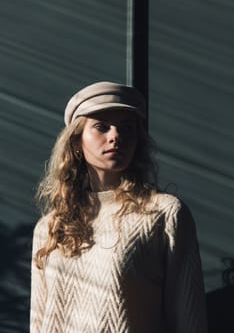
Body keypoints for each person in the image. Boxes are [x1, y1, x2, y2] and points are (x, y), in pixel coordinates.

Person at [30, 81, 208, 333]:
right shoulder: (50, 227)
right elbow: (38, 323)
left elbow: (190, 319)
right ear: (76, 141)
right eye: (101, 127)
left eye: (126, 128)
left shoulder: (164, 214)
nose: (116, 136)